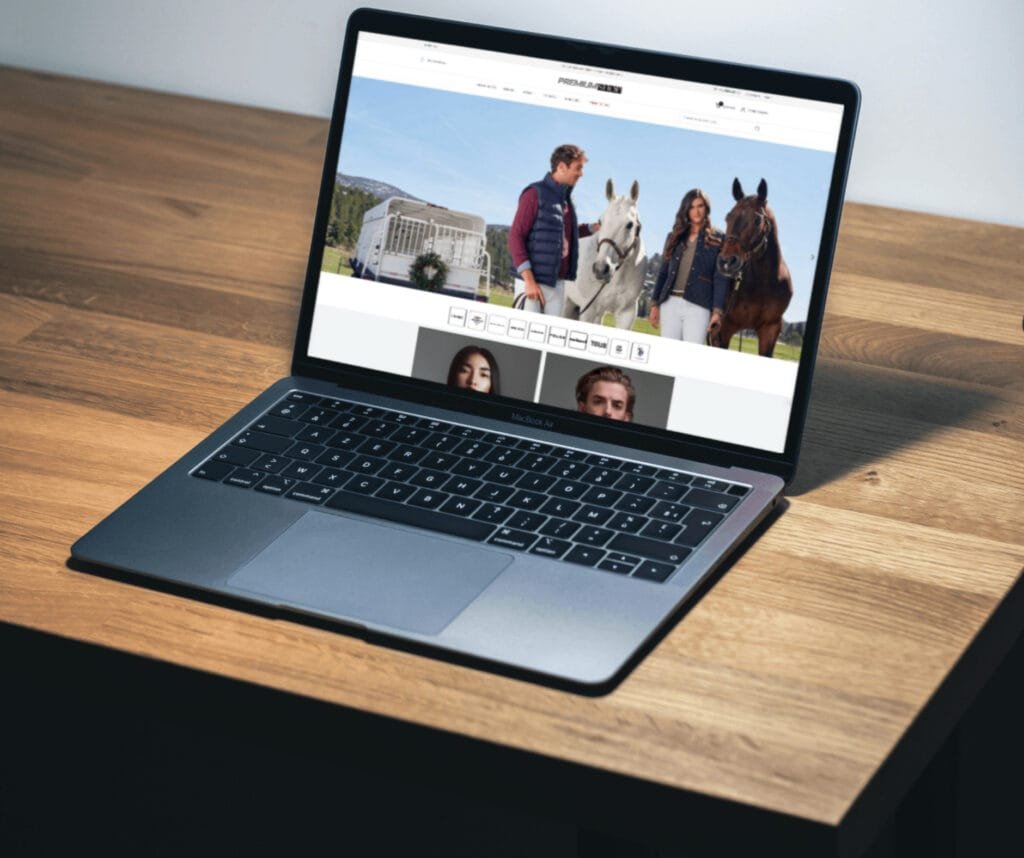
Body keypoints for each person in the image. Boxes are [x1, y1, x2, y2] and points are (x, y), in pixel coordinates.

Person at [508, 144, 600, 316]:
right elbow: (515, 237)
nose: (581, 174)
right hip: (533, 283)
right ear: (561, 167)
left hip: (557, 284)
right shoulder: (534, 193)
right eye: (578, 168)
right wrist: (529, 281)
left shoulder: (565, 200)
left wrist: (591, 228)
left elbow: (560, 232)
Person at [648, 189, 731, 344]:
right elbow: (663, 273)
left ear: (706, 208)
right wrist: (655, 304)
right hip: (669, 304)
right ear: (686, 210)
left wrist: (717, 312)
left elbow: (720, 277)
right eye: (692, 207)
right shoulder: (674, 237)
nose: (696, 211)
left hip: (698, 307)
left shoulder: (719, 239)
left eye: (700, 206)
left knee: (691, 358)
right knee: (668, 355)